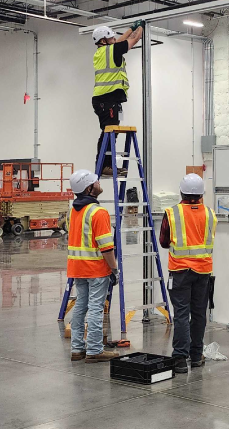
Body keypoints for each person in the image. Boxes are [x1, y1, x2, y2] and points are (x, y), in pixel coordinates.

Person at [159, 173, 217, 374]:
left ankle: (180, 359)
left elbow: (164, 242)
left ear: (181, 192)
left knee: (182, 314)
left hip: (180, 271)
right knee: (199, 314)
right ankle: (196, 356)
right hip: (203, 271)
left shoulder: (172, 213)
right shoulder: (210, 213)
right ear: (201, 193)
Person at [66, 169, 121, 363]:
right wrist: (114, 269)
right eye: (96, 182)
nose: (99, 184)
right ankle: (95, 350)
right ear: (90, 189)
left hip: (76, 268)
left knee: (81, 306)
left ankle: (77, 349)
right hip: (96, 269)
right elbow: (106, 248)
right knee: (96, 308)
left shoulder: (71, 211)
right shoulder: (99, 213)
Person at [91, 22, 144, 177]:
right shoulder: (111, 51)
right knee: (109, 133)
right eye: (111, 38)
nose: (114, 39)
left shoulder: (103, 52)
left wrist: (130, 29)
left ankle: (105, 165)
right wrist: (141, 27)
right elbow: (134, 40)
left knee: (109, 133)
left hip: (105, 99)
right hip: (107, 99)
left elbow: (119, 42)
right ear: (103, 40)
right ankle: (104, 166)